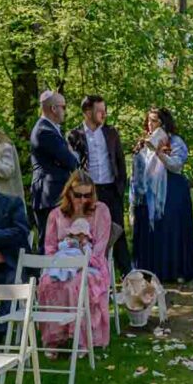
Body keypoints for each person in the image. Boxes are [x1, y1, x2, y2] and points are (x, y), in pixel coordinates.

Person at [38, 171, 112, 353]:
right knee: (48, 282)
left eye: (87, 195)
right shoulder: (56, 214)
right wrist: (61, 263)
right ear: (69, 193)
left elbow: (100, 247)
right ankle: (55, 339)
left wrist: (82, 261)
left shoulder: (101, 211)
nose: (83, 200)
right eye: (78, 195)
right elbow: (49, 247)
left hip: (92, 264)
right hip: (61, 263)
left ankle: (82, 339)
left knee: (76, 284)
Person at [130, 107, 193, 283]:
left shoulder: (175, 141)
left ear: (164, 122)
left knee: (169, 229)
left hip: (172, 190)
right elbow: (136, 171)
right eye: (149, 121)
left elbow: (176, 165)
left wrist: (159, 152)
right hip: (147, 193)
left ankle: (174, 272)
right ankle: (148, 272)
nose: (150, 124)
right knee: (150, 231)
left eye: (155, 121)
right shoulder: (143, 142)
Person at [67, 95, 131, 275]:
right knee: (90, 234)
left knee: (118, 233)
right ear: (88, 112)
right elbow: (73, 167)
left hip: (111, 189)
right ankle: (96, 276)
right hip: (88, 193)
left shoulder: (111, 133)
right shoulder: (74, 135)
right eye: (99, 111)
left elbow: (120, 162)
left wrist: (120, 188)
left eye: (105, 110)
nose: (104, 114)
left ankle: (128, 276)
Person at [30, 89, 80, 242]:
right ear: (53, 108)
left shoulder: (50, 129)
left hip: (53, 195)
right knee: (49, 243)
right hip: (50, 196)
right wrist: (72, 155)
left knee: (59, 243)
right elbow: (71, 161)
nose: (66, 110)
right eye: (63, 106)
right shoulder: (44, 131)